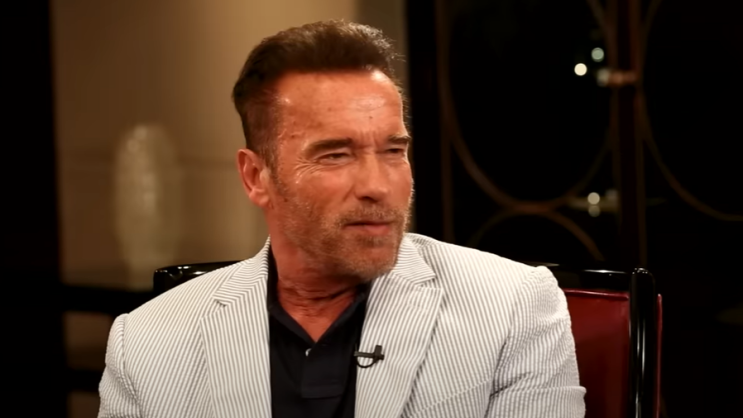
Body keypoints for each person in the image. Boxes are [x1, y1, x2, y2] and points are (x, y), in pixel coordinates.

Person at [98, 20, 585, 418]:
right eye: (335, 154)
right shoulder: (147, 343)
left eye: (393, 151)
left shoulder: (513, 309)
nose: (378, 185)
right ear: (256, 176)